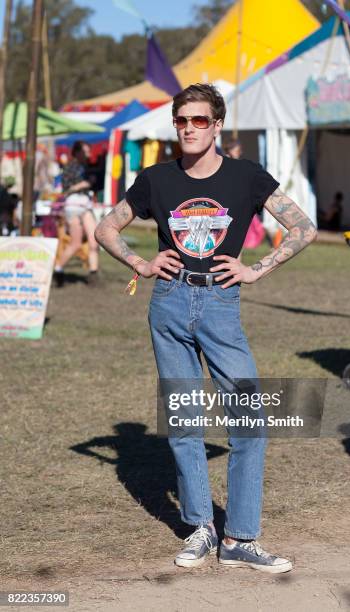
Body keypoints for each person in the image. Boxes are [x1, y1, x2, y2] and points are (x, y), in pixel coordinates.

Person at [94, 84, 317, 573]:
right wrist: (140, 262)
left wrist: (257, 269)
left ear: (217, 125)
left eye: (199, 120)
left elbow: (304, 228)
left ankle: (239, 538)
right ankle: (200, 528)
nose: (189, 129)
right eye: (182, 121)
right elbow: (105, 228)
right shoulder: (155, 179)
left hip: (221, 303)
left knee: (249, 422)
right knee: (185, 423)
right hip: (169, 302)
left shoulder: (246, 177)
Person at [54, 141, 99, 286]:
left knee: (94, 241)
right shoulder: (69, 167)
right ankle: (58, 269)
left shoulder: (87, 167)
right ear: (77, 152)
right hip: (72, 206)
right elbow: (65, 191)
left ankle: (93, 274)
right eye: (85, 151)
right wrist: (82, 185)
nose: (88, 154)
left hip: (85, 204)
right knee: (76, 243)